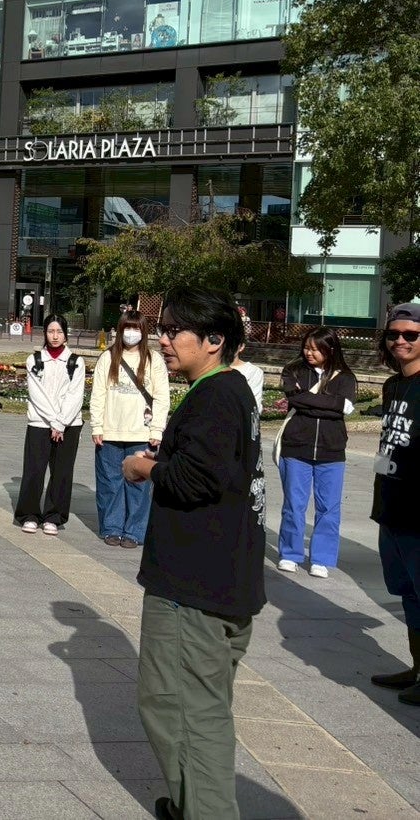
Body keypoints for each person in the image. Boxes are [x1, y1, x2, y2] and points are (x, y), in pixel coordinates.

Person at [122, 288, 265, 820]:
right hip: (220, 579)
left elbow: (195, 479)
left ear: (214, 340)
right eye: (161, 329)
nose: (162, 340)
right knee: (191, 708)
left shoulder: (215, 395)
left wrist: (144, 468)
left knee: (184, 712)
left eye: (173, 330)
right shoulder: (231, 390)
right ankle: (191, 804)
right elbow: (216, 471)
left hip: (194, 589)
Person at [275, 326, 356, 579]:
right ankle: (290, 554)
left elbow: (346, 407)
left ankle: (321, 558)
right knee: (293, 505)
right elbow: (295, 399)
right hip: (296, 447)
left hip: (332, 451)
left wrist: (309, 401)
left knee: (329, 508)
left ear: (329, 349)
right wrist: (333, 404)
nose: (308, 353)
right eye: (306, 347)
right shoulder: (293, 370)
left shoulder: (345, 377)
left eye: (315, 349)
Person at [371, 301, 420, 706]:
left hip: (419, 511)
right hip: (391, 504)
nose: (400, 341)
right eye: (393, 334)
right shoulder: (392, 385)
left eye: (411, 335)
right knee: (407, 594)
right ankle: (417, 669)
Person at [89, 310, 170, 549]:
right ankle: (111, 528)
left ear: (143, 331)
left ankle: (134, 531)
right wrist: (97, 425)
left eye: (136, 328)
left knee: (139, 485)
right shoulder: (108, 358)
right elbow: (98, 394)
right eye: (127, 328)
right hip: (110, 431)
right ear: (120, 330)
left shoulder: (153, 360)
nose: (131, 333)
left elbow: (161, 397)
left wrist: (157, 430)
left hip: (141, 433)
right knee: (110, 484)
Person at [14, 315, 86, 536]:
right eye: (50, 331)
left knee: (62, 472)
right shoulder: (34, 360)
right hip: (40, 423)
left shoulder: (76, 361)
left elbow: (75, 395)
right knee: (34, 470)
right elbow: (37, 394)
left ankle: (54, 516)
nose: (55, 336)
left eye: (59, 332)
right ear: (45, 333)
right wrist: (54, 421)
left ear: (65, 334)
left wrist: (61, 422)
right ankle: (29, 514)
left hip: (68, 424)